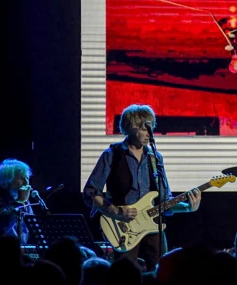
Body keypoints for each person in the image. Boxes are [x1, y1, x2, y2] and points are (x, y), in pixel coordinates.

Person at [83, 104, 201, 271]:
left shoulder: (155, 158)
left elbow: (165, 202)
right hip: (122, 228)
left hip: (152, 227)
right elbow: (90, 193)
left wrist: (187, 207)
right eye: (145, 128)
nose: (149, 133)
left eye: (151, 128)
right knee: (125, 276)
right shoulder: (111, 155)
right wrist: (115, 211)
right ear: (131, 127)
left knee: (162, 272)